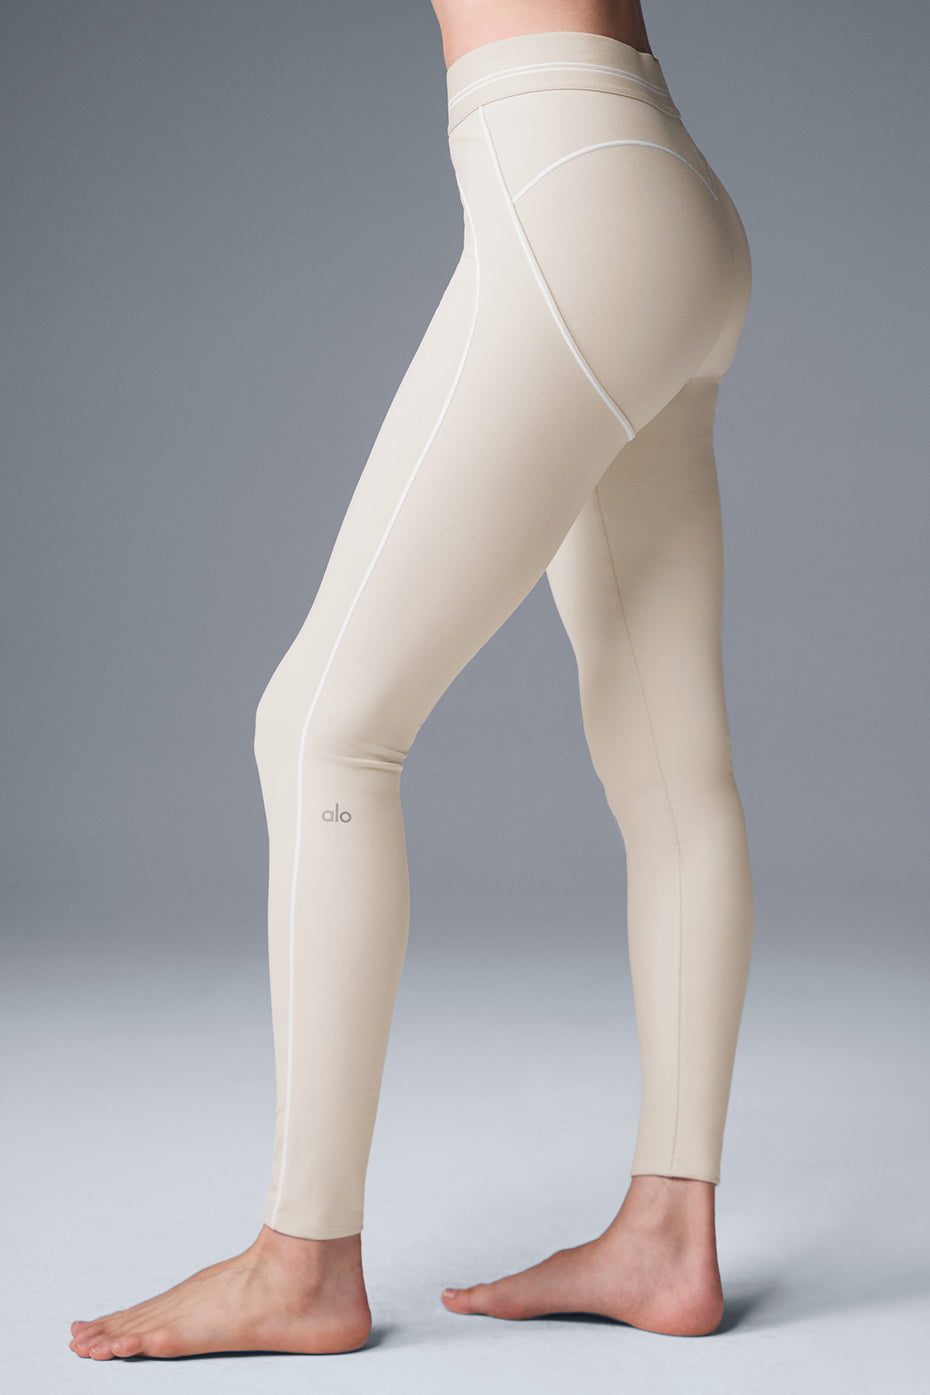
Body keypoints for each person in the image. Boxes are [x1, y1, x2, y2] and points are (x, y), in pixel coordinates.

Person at [69, 0, 754, 1359]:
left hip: (568, 182)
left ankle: (301, 1262)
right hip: (669, 190)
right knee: (671, 771)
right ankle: (669, 1240)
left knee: (323, 732)